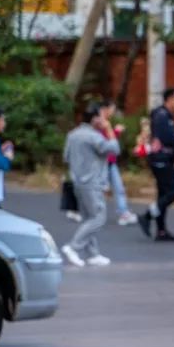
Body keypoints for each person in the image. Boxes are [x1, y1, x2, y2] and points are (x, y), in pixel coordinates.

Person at [60, 102, 120, 267]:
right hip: (92, 181)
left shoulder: (72, 134)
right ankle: (73, 247)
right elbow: (114, 149)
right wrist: (109, 130)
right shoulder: (94, 136)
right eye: (100, 116)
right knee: (98, 217)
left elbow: (66, 156)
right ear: (94, 119)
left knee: (88, 217)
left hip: (77, 180)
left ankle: (93, 254)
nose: (103, 119)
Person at [138, 87, 174, 242]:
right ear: (171, 99)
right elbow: (169, 138)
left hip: (163, 159)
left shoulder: (164, 115)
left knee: (163, 194)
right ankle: (147, 215)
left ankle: (161, 231)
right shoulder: (162, 116)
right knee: (172, 193)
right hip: (161, 159)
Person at [101, 101, 138, 226]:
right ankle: (87, 211)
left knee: (118, 187)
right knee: (101, 189)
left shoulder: (107, 123)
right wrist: (116, 131)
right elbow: (106, 143)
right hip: (103, 163)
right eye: (112, 109)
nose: (113, 112)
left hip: (111, 162)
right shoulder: (101, 124)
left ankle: (123, 212)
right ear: (105, 109)